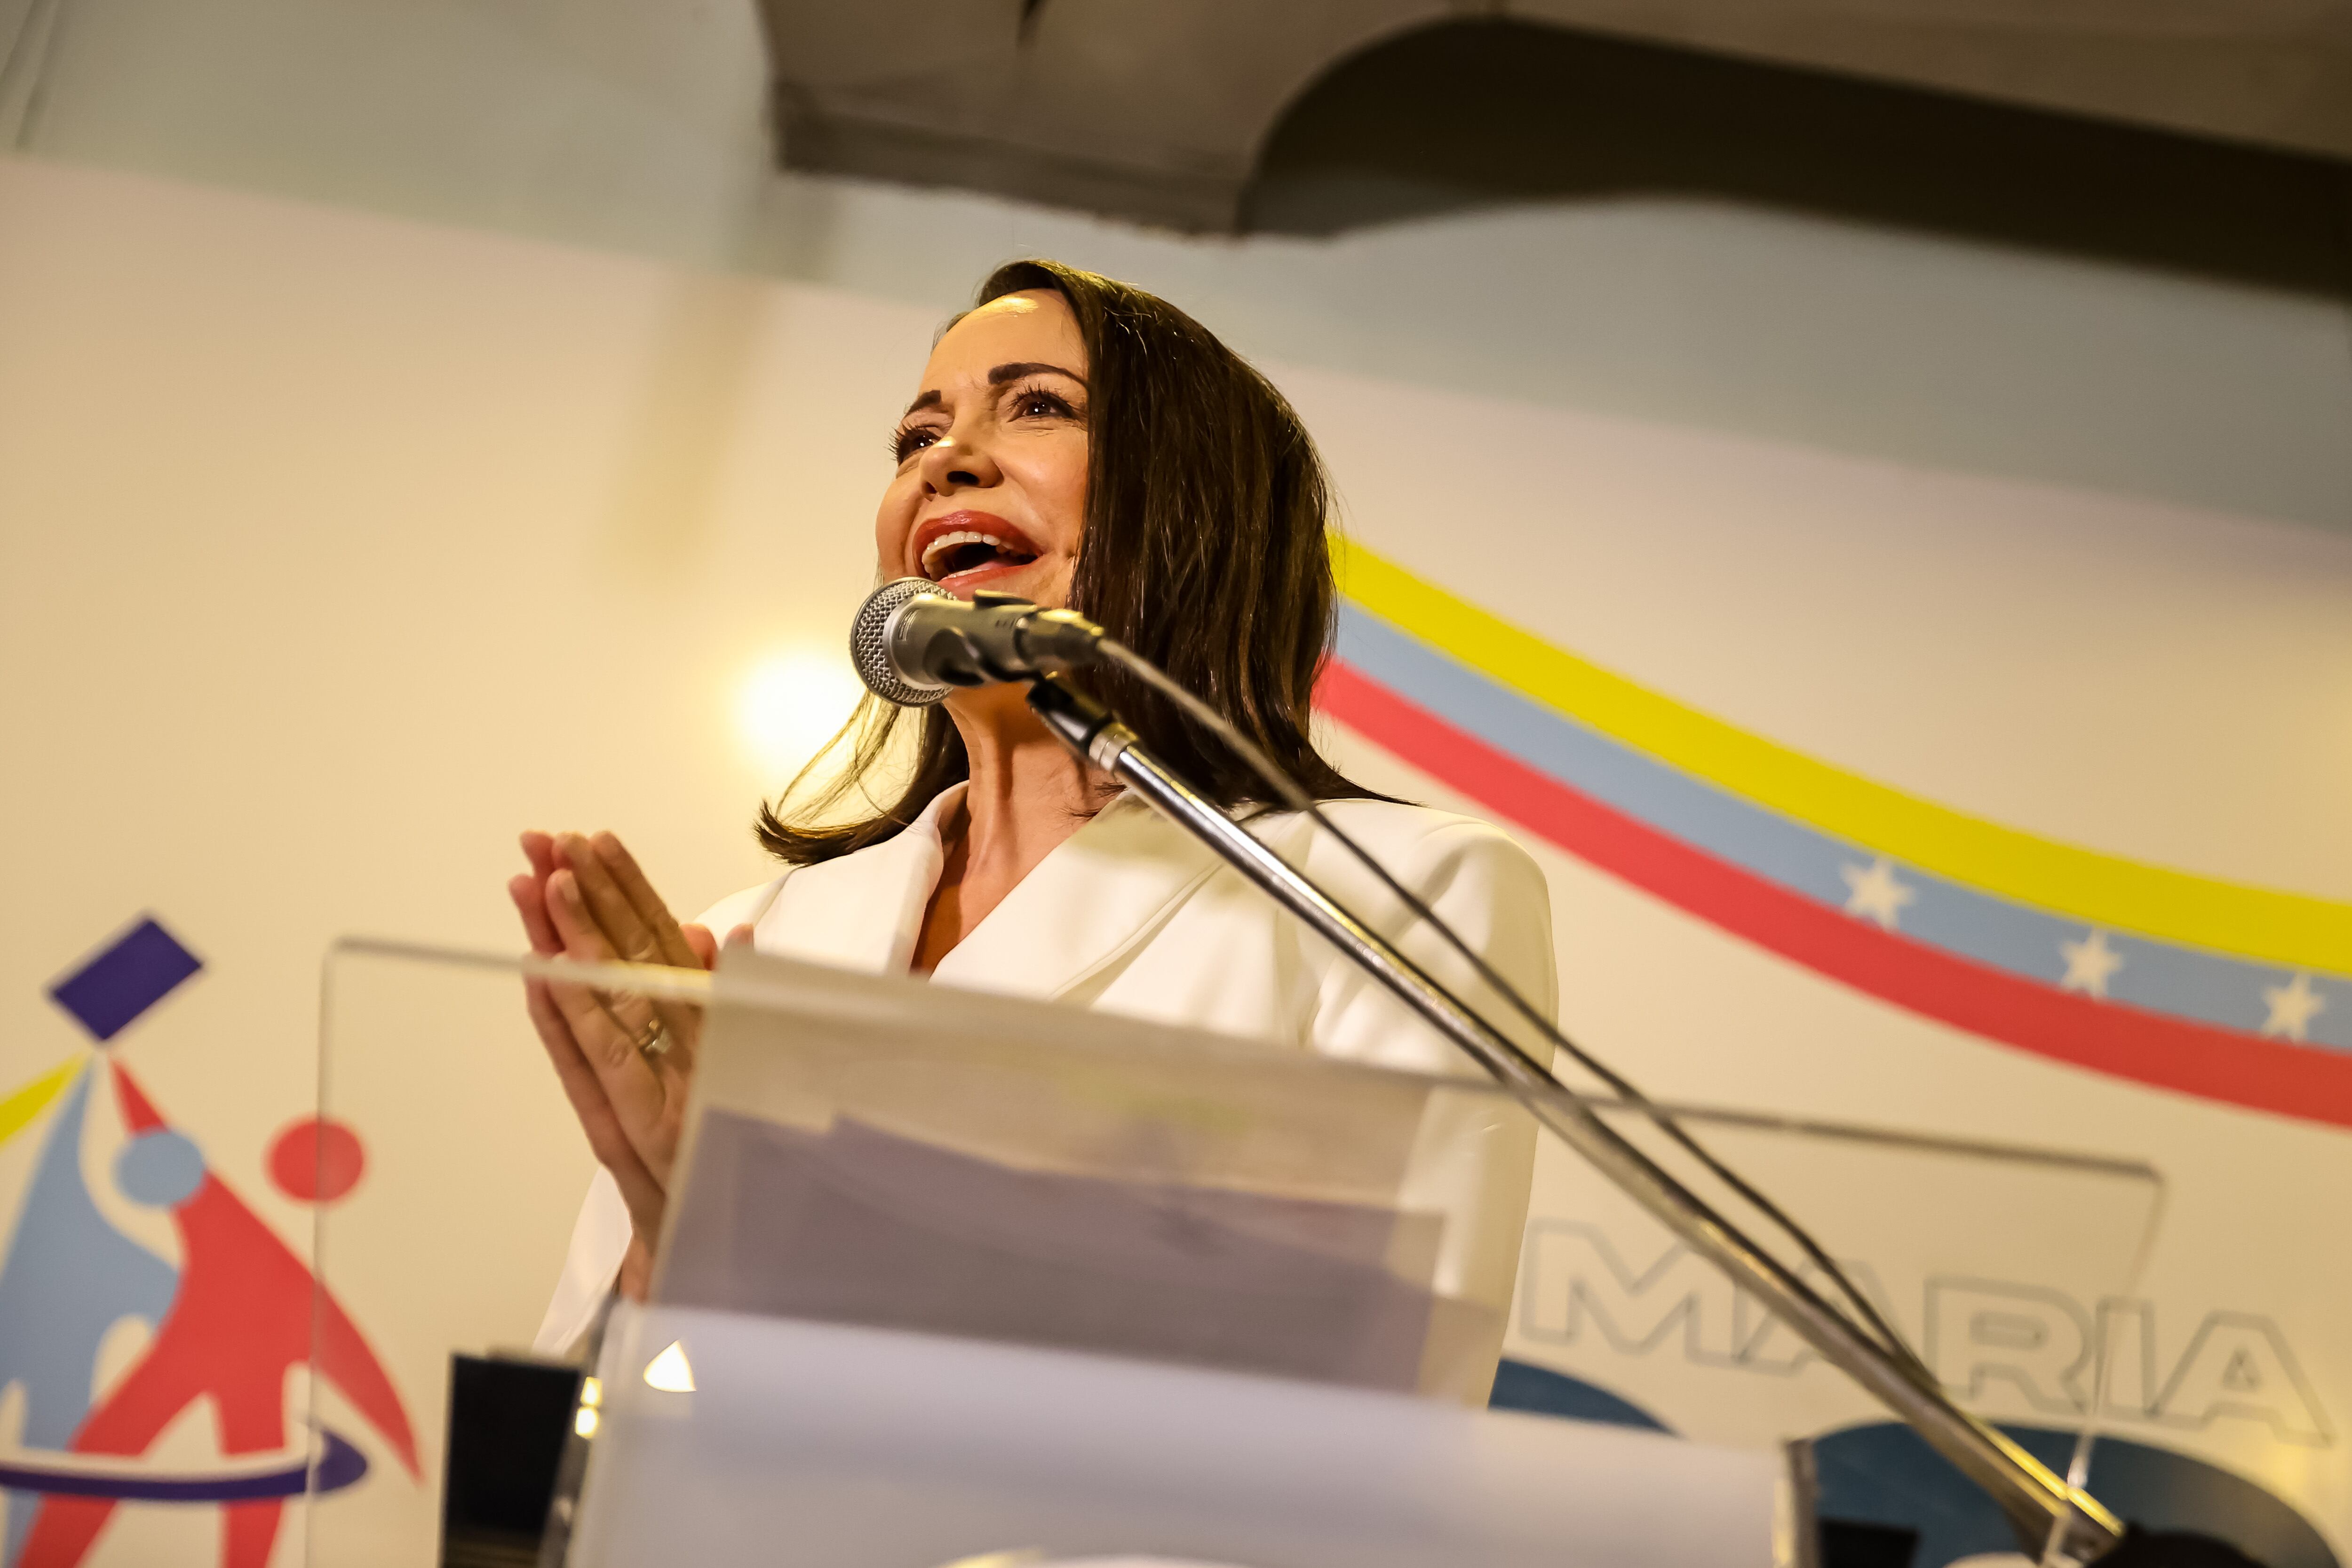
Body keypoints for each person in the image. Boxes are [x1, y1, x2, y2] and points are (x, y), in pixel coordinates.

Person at [511, 260, 1557, 1398]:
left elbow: (1382, 1397)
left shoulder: (1400, 892)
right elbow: (582, 1462)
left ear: (1194, 503)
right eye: (917, 435)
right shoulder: (745, 943)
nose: (943, 461)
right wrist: (677, 1257)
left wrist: (801, 1235)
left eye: (1039, 405)